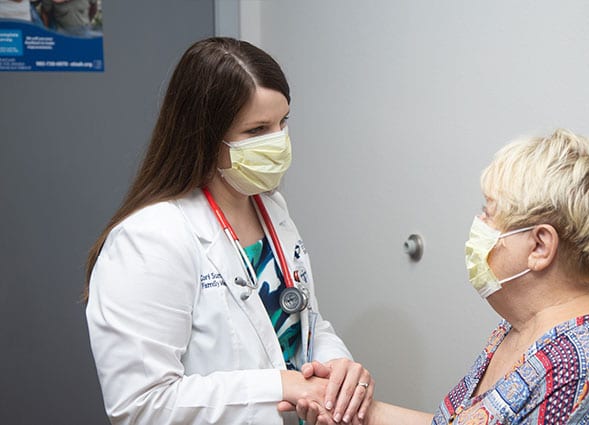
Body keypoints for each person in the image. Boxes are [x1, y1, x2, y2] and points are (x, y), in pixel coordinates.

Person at [292, 129, 589, 424]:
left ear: (540, 246)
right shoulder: (531, 322)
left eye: (490, 213)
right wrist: (359, 411)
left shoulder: (586, 362)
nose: (478, 225)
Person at [85, 37, 373, 425]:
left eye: (282, 122)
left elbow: (302, 321)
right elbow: (142, 404)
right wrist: (280, 386)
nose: (278, 141)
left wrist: (336, 367)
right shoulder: (149, 239)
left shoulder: (270, 208)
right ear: (203, 135)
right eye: (257, 131)